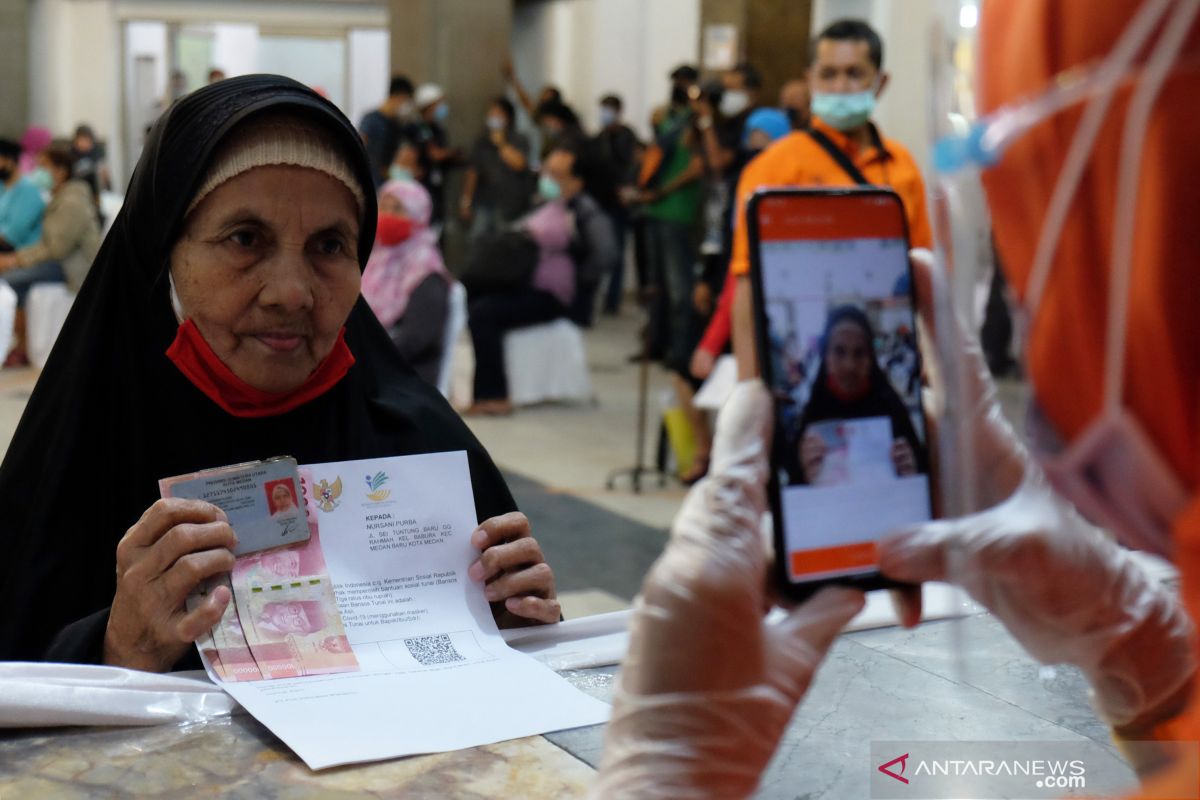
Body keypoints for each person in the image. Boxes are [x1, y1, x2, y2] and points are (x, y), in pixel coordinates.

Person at [592, 2, 1200, 797]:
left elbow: (912, 288)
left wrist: (666, 783)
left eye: (1032, 221)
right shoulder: (776, 165)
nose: (1030, 314)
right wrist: (1145, 650)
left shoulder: (903, 167)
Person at [0, 76, 561, 671]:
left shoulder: (417, 444)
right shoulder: (78, 459)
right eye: (245, 239)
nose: (292, 294)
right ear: (162, 251)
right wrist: (118, 650)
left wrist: (512, 630)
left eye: (329, 246)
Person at [728, 19, 934, 379]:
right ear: (810, 79)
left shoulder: (902, 168)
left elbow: (921, 278)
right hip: (796, 358)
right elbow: (747, 284)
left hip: (884, 358)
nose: (840, 87)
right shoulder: (773, 168)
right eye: (828, 74)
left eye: (855, 74)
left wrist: (928, 370)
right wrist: (750, 383)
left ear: (880, 82)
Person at [465, 146, 587, 416]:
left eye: (557, 174)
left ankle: (494, 396)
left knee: (484, 314)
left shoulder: (577, 211)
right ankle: (484, 394)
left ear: (575, 181)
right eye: (547, 170)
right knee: (476, 302)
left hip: (550, 294)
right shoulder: (543, 203)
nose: (548, 178)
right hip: (524, 284)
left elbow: (562, 239)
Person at [688, 110, 793, 382]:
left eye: (765, 139)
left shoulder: (786, 187)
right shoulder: (742, 181)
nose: (757, 147)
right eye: (753, 139)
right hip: (734, 286)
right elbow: (735, 264)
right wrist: (706, 277)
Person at [787, 306, 924, 485]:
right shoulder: (812, 415)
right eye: (839, 351)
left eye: (859, 353)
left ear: (870, 359)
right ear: (826, 357)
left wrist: (911, 472)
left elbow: (923, 475)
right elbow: (793, 487)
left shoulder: (891, 409)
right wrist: (805, 472)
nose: (849, 365)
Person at [0, 143, 101, 365]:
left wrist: (14, 260)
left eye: (43, 166)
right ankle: (23, 344)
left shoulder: (72, 201)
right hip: (59, 262)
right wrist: (15, 260)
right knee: (17, 282)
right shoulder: (59, 197)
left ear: (61, 171)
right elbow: (46, 244)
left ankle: (23, 345)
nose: (38, 172)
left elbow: (56, 249)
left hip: (72, 268)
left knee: (9, 281)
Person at [361, 178, 452, 386]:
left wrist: (365, 359)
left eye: (398, 209)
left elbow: (416, 338)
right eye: (383, 206)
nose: (387, 215)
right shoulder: (373, 258)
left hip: (406, 376)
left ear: (418, 215)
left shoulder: (426, 271)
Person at [593, 94, 641, 315]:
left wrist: (627, 189)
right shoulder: (600, 137)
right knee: (598, 249)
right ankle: (596, 297)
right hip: (602, 200)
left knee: (617, 253)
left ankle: (612, 300)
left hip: (620, 202)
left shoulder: (627, 136)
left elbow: (633, 164)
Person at [460, 97, 532, 238]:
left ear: (508, 117)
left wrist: (501, 144)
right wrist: (465, 202)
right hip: (484, 202)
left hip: (510, 204)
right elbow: (472, 172)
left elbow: (520, 164)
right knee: (478, 241)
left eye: (498, 113)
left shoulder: (519, 139)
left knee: (505, 243)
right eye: (491, 113)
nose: (493, 117)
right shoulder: (481, 141)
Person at [413, 83, 463, 226]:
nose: (443, 107)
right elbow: (434, 154)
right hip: (420, 187)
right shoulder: (415, 128)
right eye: (439, 103)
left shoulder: (438, 130)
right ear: (428, 106)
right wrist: (451, 153)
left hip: (437, 188)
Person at [359, 74, 416, 188]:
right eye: (407, 101)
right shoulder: (371, 120)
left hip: (387, 184)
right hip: (370, 182)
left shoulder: (397, 124)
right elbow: (360, 145)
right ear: (400, 97)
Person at [0, 138, 46, 252]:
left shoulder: (29, 191)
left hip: (19, 256)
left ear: (10, 161)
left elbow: (10, 238)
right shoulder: (2, 186)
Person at [70, 124, 112, 203]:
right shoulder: (70, 154)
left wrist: (108, 188)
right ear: (75, 141)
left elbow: (104, 175)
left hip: (95, 191)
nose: (84, 143)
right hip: (76, 189)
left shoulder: (97, 154)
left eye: (87, 140)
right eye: (81, 140)